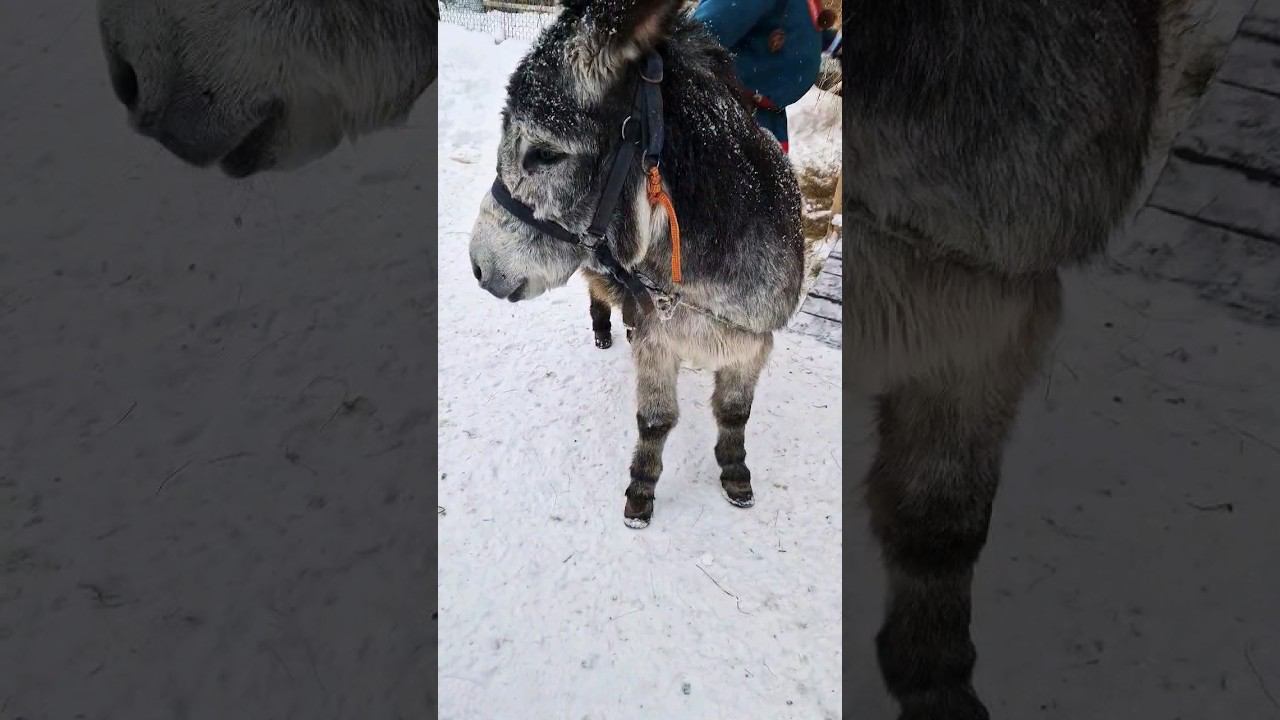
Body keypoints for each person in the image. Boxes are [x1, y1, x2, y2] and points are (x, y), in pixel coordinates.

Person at [692, 0, 831, 153]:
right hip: (731, 113)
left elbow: (805, 27)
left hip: (766, 117)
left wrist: (835, 43)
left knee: (767, 170)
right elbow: (698, 37)